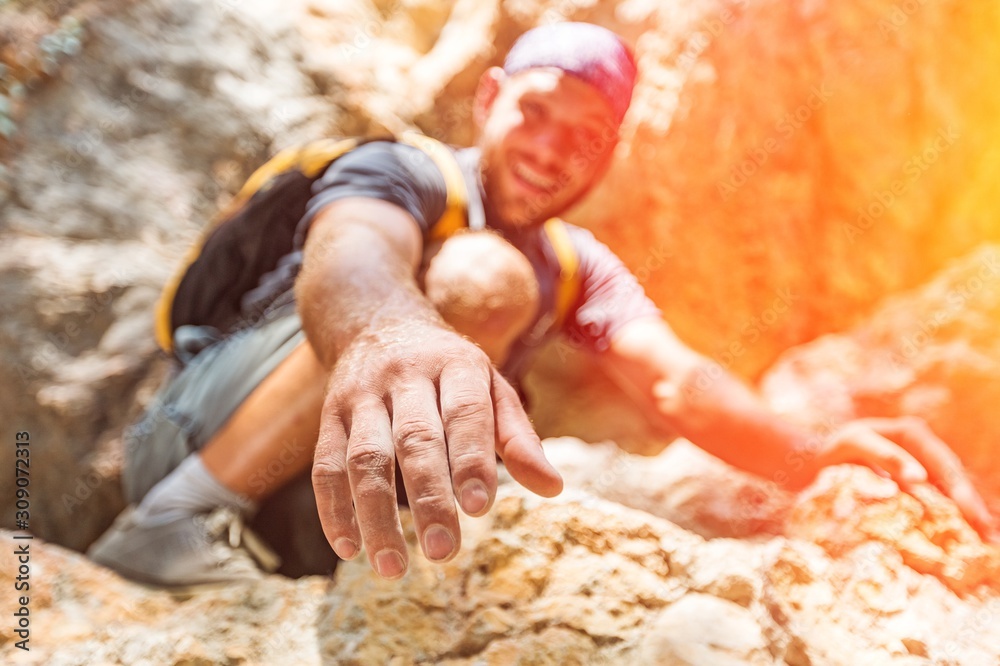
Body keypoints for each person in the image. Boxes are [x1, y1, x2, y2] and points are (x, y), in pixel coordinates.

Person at [88, 22, 996, 587]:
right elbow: (350, 257)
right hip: (192, 435)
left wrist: (809, 455)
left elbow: (674, 382)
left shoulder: (576, 265)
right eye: (537, 113)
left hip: (324, 497)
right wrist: (387, 331)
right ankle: (171, 521)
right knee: (482, 282)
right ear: (490, 99)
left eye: (586, 139)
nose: (552, 150)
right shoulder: (400, 171)